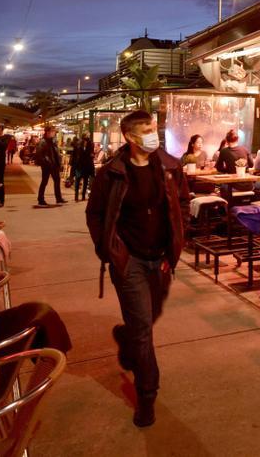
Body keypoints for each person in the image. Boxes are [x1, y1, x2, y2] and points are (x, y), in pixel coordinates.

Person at [85, 110, 188, 428]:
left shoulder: (170, 167)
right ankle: (147, 396)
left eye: (154, 128)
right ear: (130, 136)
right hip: (128, 260)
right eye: (146, 130)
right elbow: (96, 214)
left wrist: (176, 244)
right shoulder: (111, 173)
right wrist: (109, 251)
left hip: (161, 259)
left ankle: (126, 337)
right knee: (144, 327)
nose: (152, 134)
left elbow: (182, 202)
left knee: (147, 318)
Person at [35, 125, 66, 206]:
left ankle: (58, 198)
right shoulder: (43, 142)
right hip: (47, 165)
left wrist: (58, 162)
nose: (54, 133)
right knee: (44, 182)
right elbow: (40, 154)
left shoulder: (53, 141)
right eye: (53, 131)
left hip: (54, 165)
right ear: (48, 132)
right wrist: (46, 162)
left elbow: (56, 153)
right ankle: (40, 199)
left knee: (57, 181)